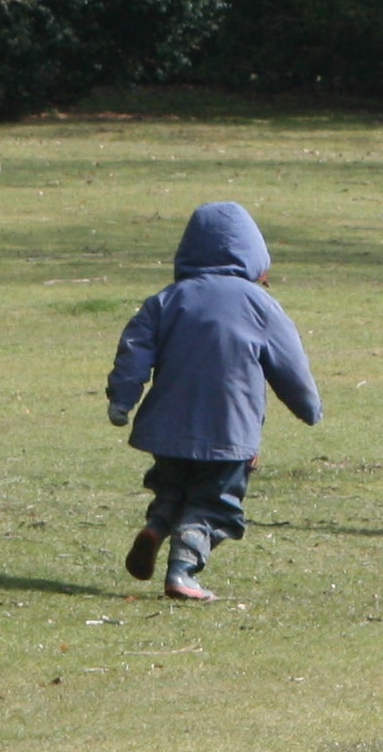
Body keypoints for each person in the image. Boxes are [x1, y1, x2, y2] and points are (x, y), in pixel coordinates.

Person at [107, 201, 323, 602]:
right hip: (230, 431)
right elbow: (289, 362)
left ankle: (156, 526)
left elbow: (134, 350)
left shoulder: (167, 300)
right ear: (254, 255)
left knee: (172, 489)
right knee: (214, 504)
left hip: (167, 429)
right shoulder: (260, 305)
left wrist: (122, 400)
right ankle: (183, 572)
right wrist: (308, 407)